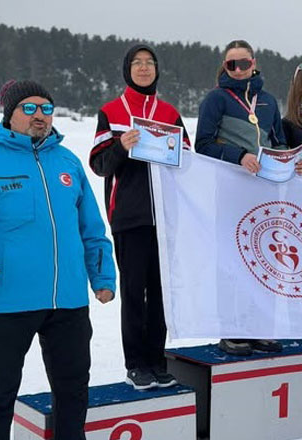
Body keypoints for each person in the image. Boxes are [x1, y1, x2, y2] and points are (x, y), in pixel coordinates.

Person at [0, 80, 116, 439]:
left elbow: (92, 228)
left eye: (46, 109)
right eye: (29, 108)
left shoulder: (68, 162)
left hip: (68, 301)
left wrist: (102, 277)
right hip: (7, 300)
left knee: (72, 393)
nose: (40, 116)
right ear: (10, 114)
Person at [89, 44, 189, 390]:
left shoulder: (170, 112)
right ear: (127, 69)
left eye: (150, 63)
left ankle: (157, 360)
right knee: (135, 292)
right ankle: (135, 363)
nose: (144, 68)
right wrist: (121, 146)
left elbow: (187, 162)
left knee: (161, 292)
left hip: (165, 217)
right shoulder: (111, 111)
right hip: (129, 216)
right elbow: (100, 165)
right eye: (137, 63)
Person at [194, 39, 302, 356]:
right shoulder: (216, 99)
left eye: (244, 63)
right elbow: (202, 144)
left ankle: (260, 328)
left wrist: (286, 160)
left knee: (263, 258)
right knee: (232, 260)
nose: (239, 69)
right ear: (224, 67)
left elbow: (278, 142)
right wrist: (239, 155)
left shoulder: (267, 100)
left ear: (254, 63)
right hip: (230, 190)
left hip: (264, 193)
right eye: (232, 64)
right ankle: (231, 330)